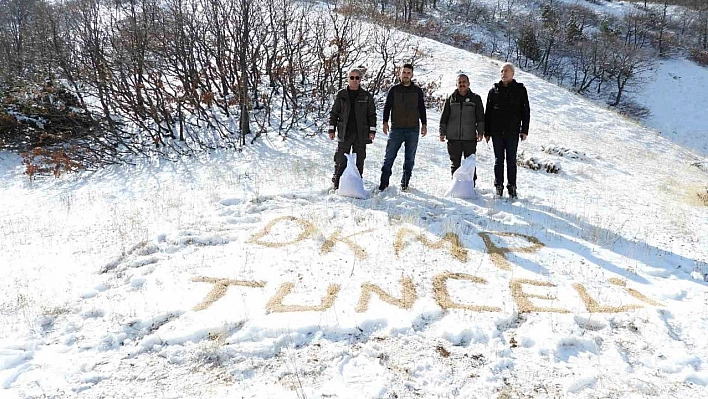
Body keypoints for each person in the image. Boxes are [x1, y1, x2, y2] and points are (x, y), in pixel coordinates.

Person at [484, 62, 530, 199]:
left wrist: (524, 130)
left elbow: (525, 111)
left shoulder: (520, 90)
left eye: (507, 71)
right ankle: (498, 187)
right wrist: (487, 132)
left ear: (513, 73)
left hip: (513, 132)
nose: (504, 73)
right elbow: (488, 113)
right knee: (498, 160)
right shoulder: (494, 90)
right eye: (502, 71)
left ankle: (512, 188)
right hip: (497, 132)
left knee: (511, 160)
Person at [379, 63, 428, 191]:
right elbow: (387, 106)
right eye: (404, 72)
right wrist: (385, 122)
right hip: (396, 128)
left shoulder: (417, 91)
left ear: (412, 75)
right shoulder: (394, 90)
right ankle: (383, 184)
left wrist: (424, 124)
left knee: (409, 159)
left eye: (408, 73)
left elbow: (422, 108)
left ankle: (404, 184)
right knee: (389, 157)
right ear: (399, 74)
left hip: (413, 129)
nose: (406, 75)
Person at [328, 68, 377, 189]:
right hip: (345, 132)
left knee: (359, 159)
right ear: (348, 79)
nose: (354, 80)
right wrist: (331, 129)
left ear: (360, 79)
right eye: (352, 77)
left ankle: (356, 186)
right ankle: (337, 184)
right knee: (341, 158)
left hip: (361, 133)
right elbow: (334, 112)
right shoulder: (341, 94)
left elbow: (372, 114)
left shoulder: (366, 96)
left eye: (357, 78)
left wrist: (372, 131)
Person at [439, 74, 485, 185]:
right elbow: (444, 116)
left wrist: (480, 131)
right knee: (455, 163)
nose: (462, 84)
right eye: (459, 82)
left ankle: (471, 186)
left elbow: (480, 117)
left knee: (470, 163)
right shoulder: (450, 99)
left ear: (468, 84)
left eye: (464, 82)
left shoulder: (475, 99)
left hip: (469, 137)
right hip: (453, 137)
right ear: (456, 84)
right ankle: (456, 186)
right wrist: (442, 132)